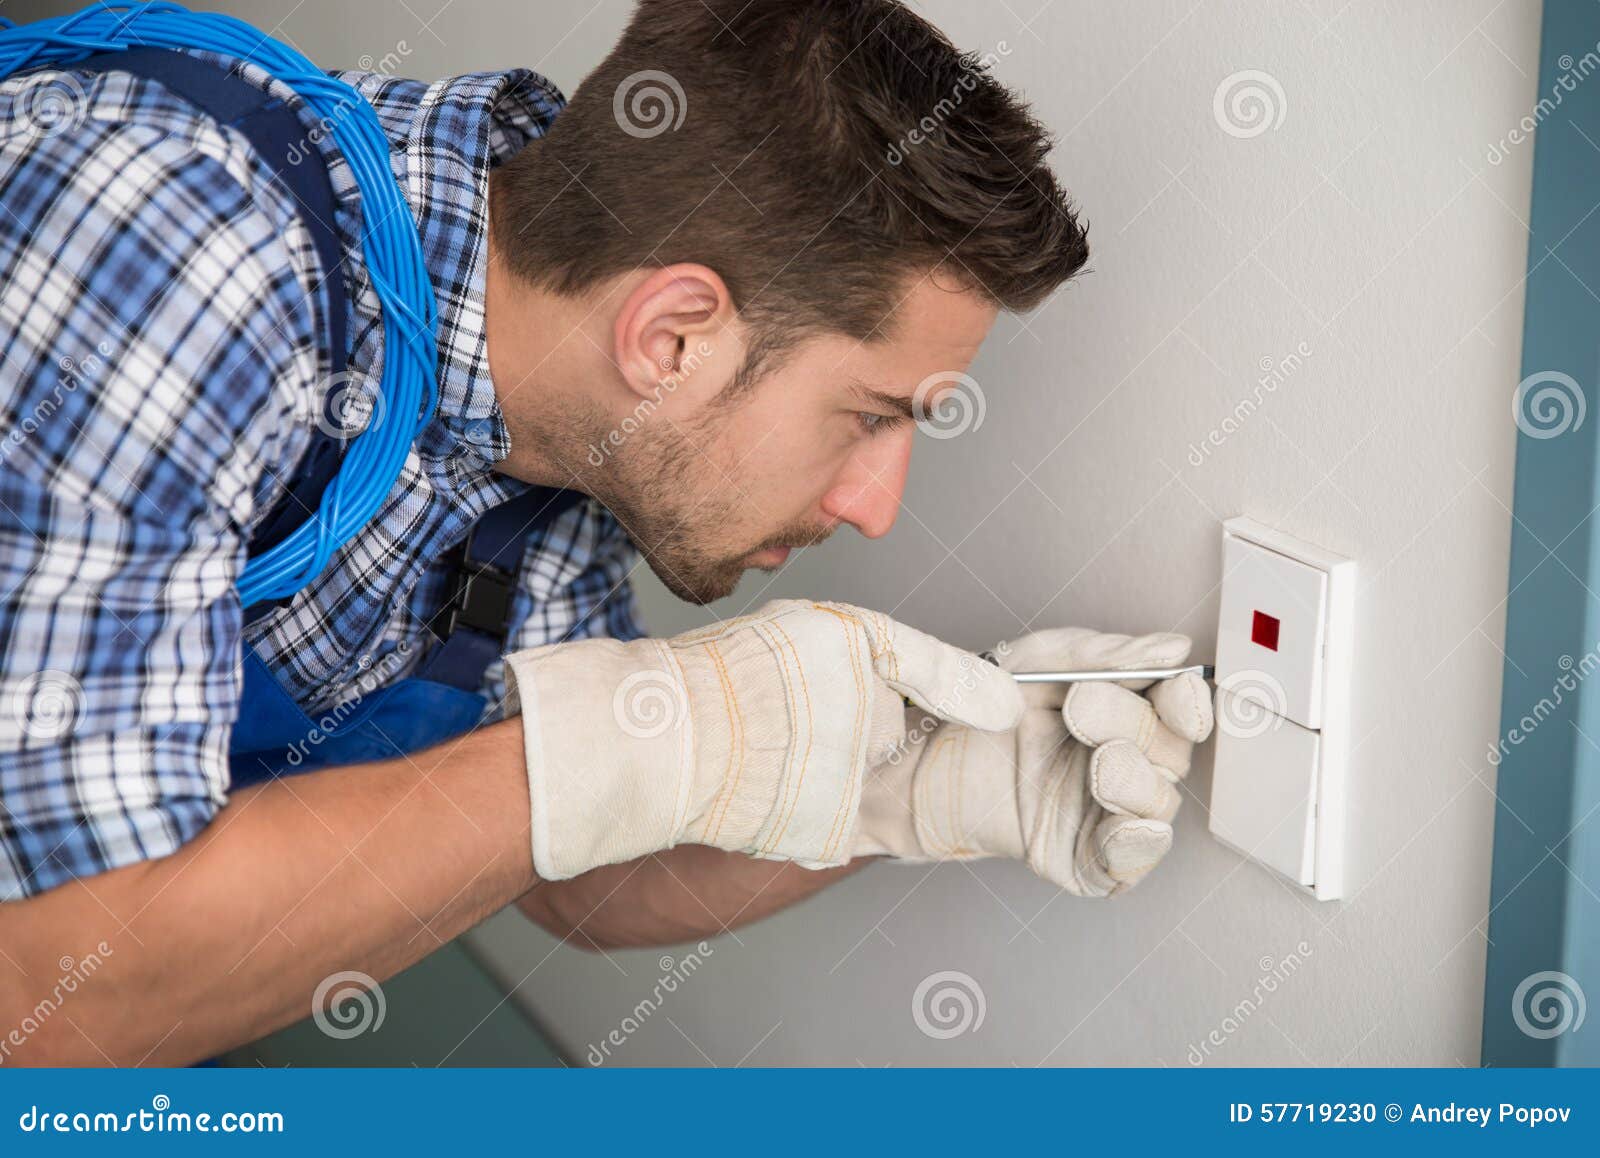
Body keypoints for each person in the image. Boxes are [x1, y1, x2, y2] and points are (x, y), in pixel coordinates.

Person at [0, 0, 1211, 1065]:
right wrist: (629, 743)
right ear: (673, 336)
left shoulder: (568, 427)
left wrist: (900, 790)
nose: (874, 505)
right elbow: (49, 994)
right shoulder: (179, 249)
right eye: (869, 417)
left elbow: (582, 873)